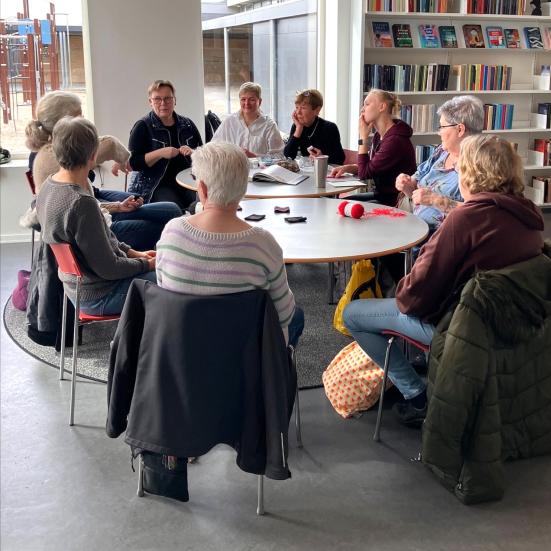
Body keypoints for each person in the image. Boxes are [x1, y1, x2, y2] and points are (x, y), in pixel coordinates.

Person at [343, 135, 544, 425]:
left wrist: (402, 283)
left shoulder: (465, 220)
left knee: (354, 314)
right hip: (514, 326)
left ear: (471, 173)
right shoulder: (529, 216)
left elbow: (411, 299)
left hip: (463, 330)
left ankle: (416, 394)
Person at [156, 141, 304, 348]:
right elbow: (284, 315)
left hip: (181, 354)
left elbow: (164, 292)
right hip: (246, 360)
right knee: (297, 317)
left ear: (203, 189)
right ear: (243, 188)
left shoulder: (172, 231)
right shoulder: (263, 244)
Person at [25, 91, 181, 251]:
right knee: (162, 224)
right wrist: (140, 259)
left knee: (170, 211)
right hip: (97, 229)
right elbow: (82, 211)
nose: (84, 121)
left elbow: (87, 205)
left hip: (97, 208)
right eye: (79, 117)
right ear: (63, 123)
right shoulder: (54, 158)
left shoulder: (63, 150)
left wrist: (118, 206)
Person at [36, 117, 157, 315]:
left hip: (76, 288)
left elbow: (104, 242)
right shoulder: (81, 203)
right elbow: (109, 268)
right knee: (170, 279)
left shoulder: (48, 187)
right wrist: (147, 264)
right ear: (93, 156)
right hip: (99, 294)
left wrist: (135, 253)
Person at [395, 95, 484, 232]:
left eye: (442, 127)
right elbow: (415, 190)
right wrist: (406, 185)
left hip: (442, 243)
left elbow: (479, 214)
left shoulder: (481, 165)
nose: (439, 132)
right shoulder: (441, 152)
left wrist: (436, 200)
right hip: (413, 232)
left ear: (460, 129)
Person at [330, 89, 416, 206]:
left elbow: (364, 174)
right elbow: (371, 166)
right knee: (338, 204)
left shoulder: (395, 141)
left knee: (340, 206)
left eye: (367, 104)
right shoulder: (379, 136)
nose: (362, 109)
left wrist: (363, 137)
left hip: (396, 202)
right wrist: (349, 168)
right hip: (381, 195)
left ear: (382, 107)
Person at [128, 79, 203, 212]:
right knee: (174, 209)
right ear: (150, 102)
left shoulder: (188, 124)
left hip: (187, 181)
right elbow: (133, 163)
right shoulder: (142, 126)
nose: (163, 103)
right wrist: (160, 153)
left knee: (203, 204)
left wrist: (193, 152)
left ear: (175, 100)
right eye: (157, 99)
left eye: (168, 98)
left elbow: (203, 154)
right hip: (156, 185)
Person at [211, 82, 284, 157]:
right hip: (233, 167)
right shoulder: (229, 122)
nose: (247, 103)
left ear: (260, 102)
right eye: (243, 99)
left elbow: (279, 155)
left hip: (260, 168)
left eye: (252, 99)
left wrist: (255, 156)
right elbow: (213, 147)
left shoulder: (269, 125)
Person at [283, 89, 345, 165]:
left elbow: (340, 159)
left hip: (325, 172)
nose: (298, 112)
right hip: (307, 171)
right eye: (296, 107)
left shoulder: (330, 128)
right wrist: (298, 129)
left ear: (317, 110)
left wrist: (322, 157)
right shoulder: (297, 126)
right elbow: (288, 156)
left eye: (303, 108)